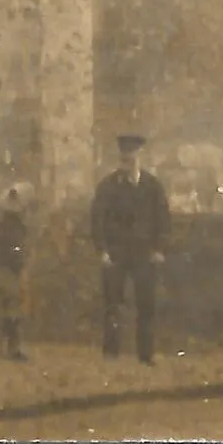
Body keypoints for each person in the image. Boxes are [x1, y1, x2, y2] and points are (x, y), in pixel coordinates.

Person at [90, 132, 171, 365]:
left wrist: (159, 249)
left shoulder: (153, 186)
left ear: (140, 156)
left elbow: (163, 219)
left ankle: (146, 355)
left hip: (145, 254)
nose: (129, 158)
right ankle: (111, 353)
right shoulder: (107, 186)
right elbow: (97, 219)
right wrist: (102, 250)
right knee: (112, 305)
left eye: (133, 154)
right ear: (120, 156)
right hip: (115, 254)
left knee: (146, 306)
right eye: (125, 154)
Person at [0, 181, 32, 359]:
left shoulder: (17, 222)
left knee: (13, 305)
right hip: (8, 267)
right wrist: (18, 255)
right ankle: (10, 346)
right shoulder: (7, 223)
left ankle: (3, 343)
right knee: (12, 304)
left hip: (14, 266)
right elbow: (10, 246)